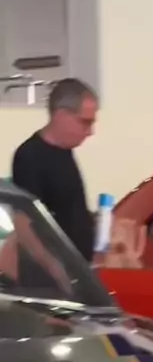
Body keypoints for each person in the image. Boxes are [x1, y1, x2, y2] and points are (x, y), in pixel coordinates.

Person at [11, 77, 98, 262]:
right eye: (85, 122)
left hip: (78, 266)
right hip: (54, 273)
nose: (90, 131)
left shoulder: (65, 151)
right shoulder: (29, 156)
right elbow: (26, 227)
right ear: (61, 115)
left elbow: (67, 209)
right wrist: (57, 271)